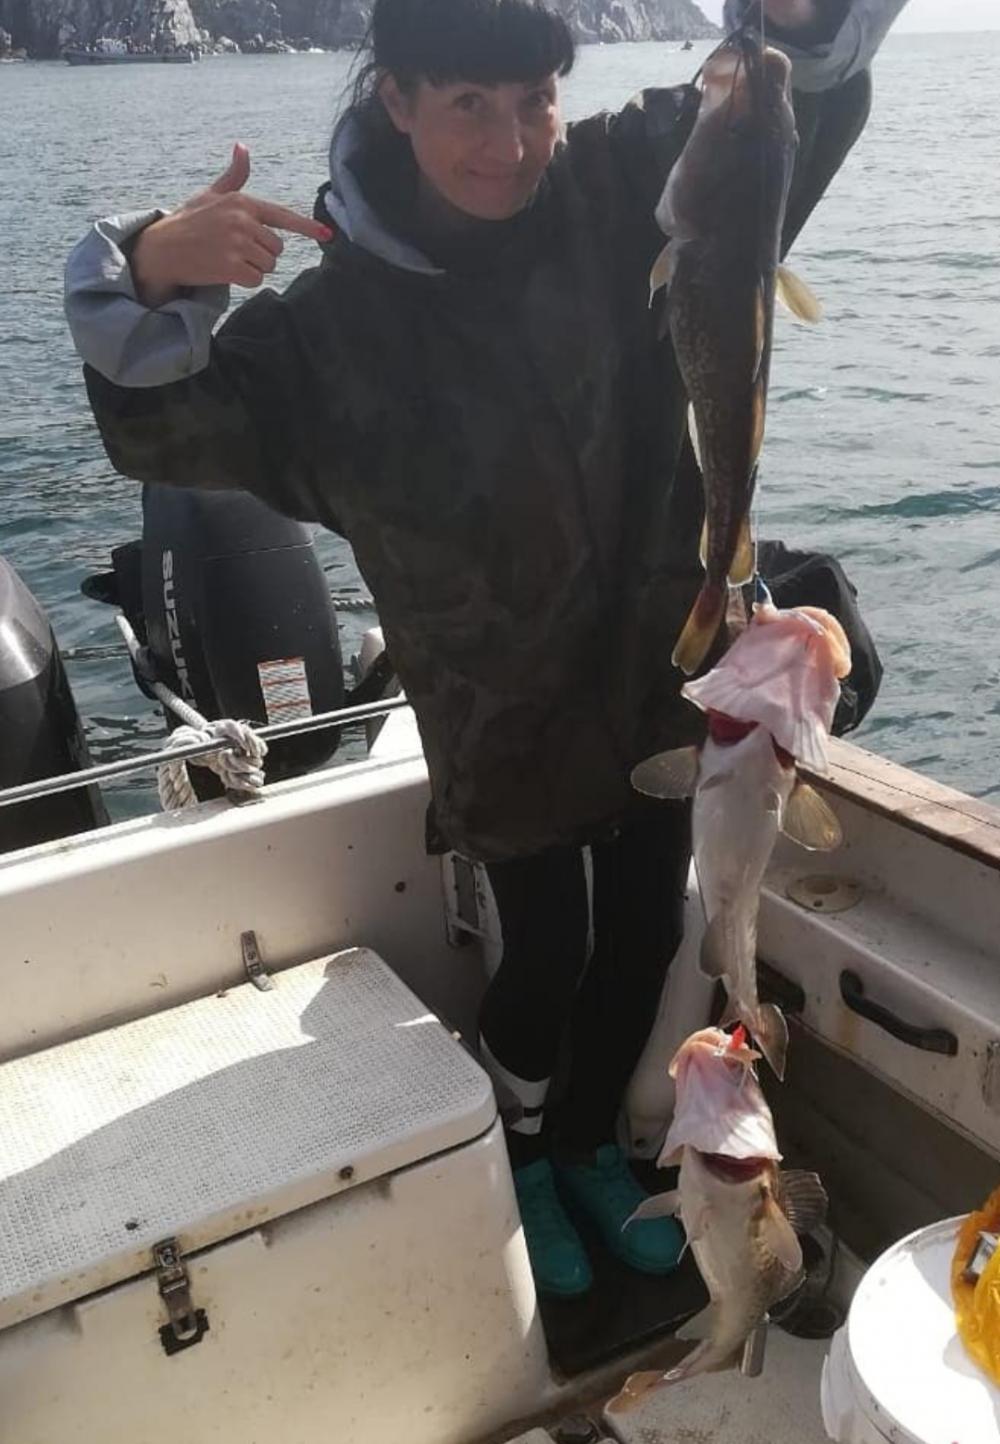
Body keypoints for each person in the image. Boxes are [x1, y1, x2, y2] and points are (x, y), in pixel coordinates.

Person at [65, 0, 906, 1298]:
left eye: (534, 103)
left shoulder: (625, 193)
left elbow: (778, 120)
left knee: (643, 934)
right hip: (494, 710)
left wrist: (794, 19)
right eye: (467, 105)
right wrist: (148, 269)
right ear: (396, 99)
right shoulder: (327, 336)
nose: (509, 145)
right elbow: (160, 429)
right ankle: (521, 1146)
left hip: (659, 665)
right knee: (547, 953)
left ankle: (585, 1143)